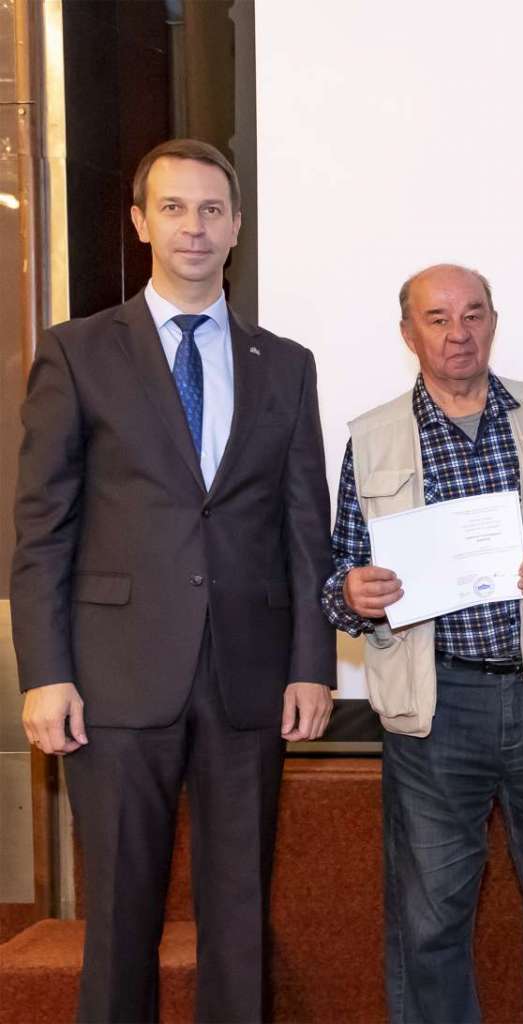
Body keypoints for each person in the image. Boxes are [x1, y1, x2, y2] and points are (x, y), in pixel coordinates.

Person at [12, 138, 334, 1021]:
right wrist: (44, 672)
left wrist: (313, 665)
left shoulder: (286, 363)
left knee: (239, 920)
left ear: (236, 227)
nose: (195, 227)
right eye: (174, 208)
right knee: (120, 921)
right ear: (140, 222)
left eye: (212, 210)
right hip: (113, 679)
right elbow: (42, 527)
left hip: (249, 677)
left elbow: (305, 527)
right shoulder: (77, 353)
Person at [323, 264, 523, 1021]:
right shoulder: (372, 437)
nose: (459, 333)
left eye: (474, 314)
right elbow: (339, 573)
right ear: (408, 333)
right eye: (438, 318)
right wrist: (353, 594)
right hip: (438, 706)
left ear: (494, 323)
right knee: (430, 919)